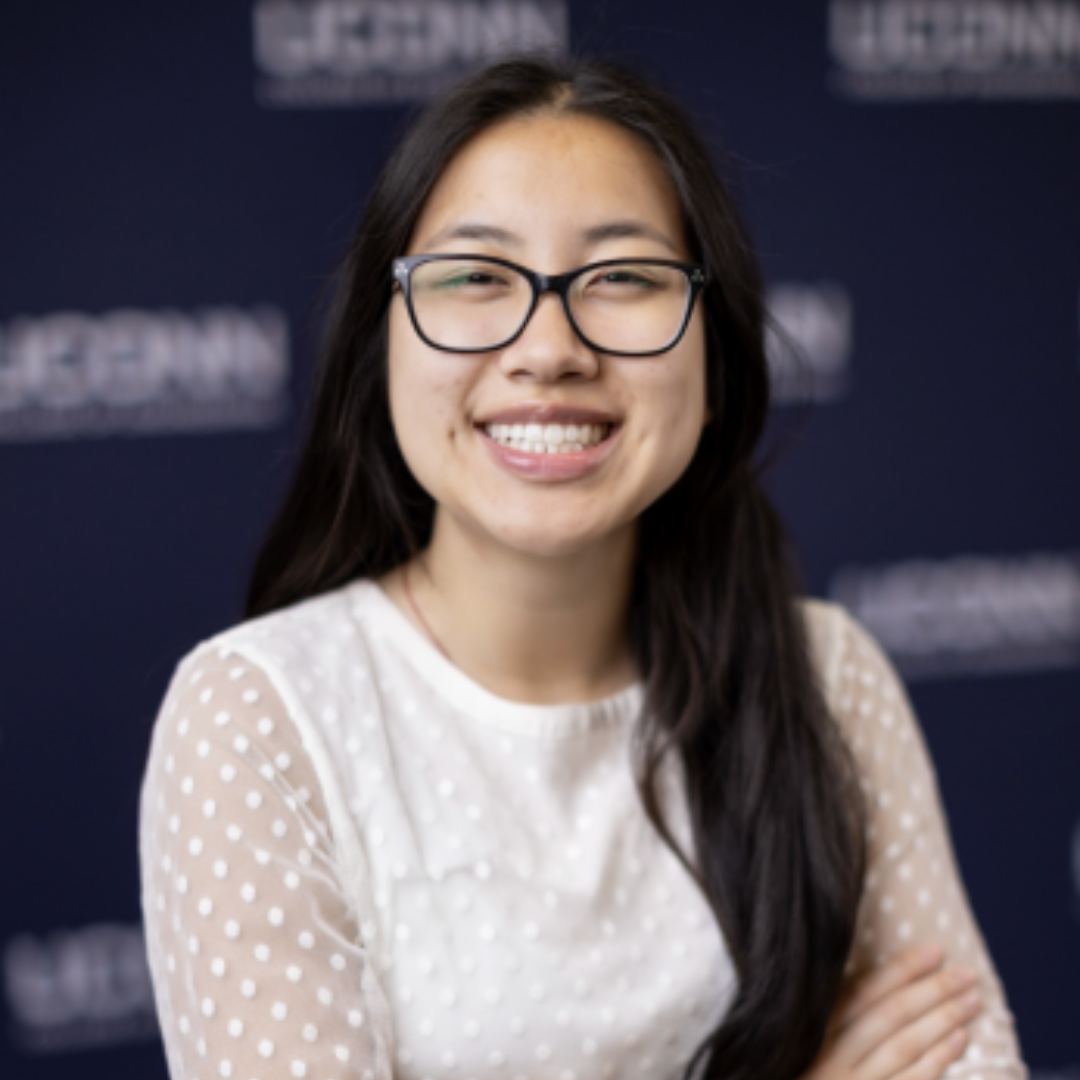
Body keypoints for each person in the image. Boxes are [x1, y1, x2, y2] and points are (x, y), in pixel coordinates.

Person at [139, 54, 1025, 1080]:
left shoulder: (829, 679)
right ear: (382, 338)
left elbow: (968, 1058)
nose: (550, 347)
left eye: (624, 278)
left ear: (712, 346)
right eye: (475, 277)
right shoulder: (259, 718)